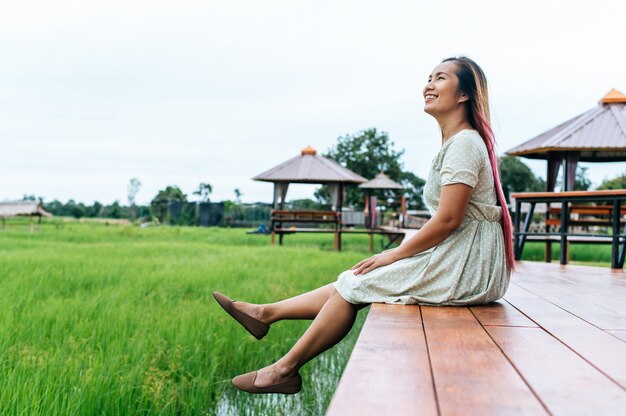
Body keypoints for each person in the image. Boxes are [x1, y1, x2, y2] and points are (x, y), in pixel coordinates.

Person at [213, 55, 515, 394]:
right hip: (464, 259)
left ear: (464, 95)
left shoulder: (463, 143)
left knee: (355, 285)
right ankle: (265, 314)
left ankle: (283, 370)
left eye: (440, 78)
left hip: (468, 269)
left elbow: (447, 219)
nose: (428, 85)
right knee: (354, 278)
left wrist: (393, 255)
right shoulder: (458, 142)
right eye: (428, 77)